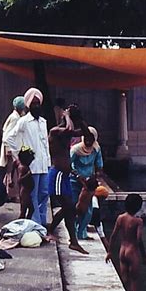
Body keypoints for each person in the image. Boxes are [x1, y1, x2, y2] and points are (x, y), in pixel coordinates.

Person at [47, 104, 92, 254]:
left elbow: (88, 136)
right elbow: (69, 129)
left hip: (65, 175)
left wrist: (81, 120)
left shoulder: (67, 134)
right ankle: (72, 240)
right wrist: (66, 115)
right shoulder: (55, 131)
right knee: (69, 207)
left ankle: (58, 234)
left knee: (69, 208)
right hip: (58, 174)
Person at [5, 88, 50, 226]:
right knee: (32, 195)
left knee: (44, 193)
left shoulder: (43, 122)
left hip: (44, 164)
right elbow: (9, 138)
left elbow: (45, 143)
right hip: (31, 165)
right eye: (33, 103)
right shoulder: (23, 121)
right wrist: (19, 155)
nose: (36, 106)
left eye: (38, 103)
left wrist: (48, 160)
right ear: (29, 105)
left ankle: (42, 221)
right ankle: (36, 224)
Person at [105, 194, 145, 291]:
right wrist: (144, 256)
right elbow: (139, 239)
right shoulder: (138, 221)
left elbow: (113, 236)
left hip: (122, 251)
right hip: (132, 251)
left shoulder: (120, 218)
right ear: (139, 207)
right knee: (134, 282)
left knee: (124, 279)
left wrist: (109, 252)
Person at [70, 126, 104, 239]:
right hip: (75, 181)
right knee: (76, 207)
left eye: (91, 138)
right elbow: (68, 165)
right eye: (86, 137)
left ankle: (82, 232)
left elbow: (99, 166)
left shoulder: (96, 149)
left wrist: (96, 177)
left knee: (88, 211)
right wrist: (78, 176)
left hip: (88, 185)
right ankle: (73, 233)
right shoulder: (75, 150)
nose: (88, 140)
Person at [0, 96, 25, 201]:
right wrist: (9, 148)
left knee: (12, 171)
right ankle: (11, 194)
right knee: (11, 172)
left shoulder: (16, 116)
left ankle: (11, 193)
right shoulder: (15, 118)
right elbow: (8, 135)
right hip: (11, 149)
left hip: (13, 148)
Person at [17, 145, 35, 219]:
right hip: (25, 192)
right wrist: (28, 174)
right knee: (24, 211)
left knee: (31, 209)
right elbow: (19, 180)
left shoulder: (23, 165)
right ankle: (21, 223)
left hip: (28, 191)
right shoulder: (23, 167)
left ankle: (27, 221)